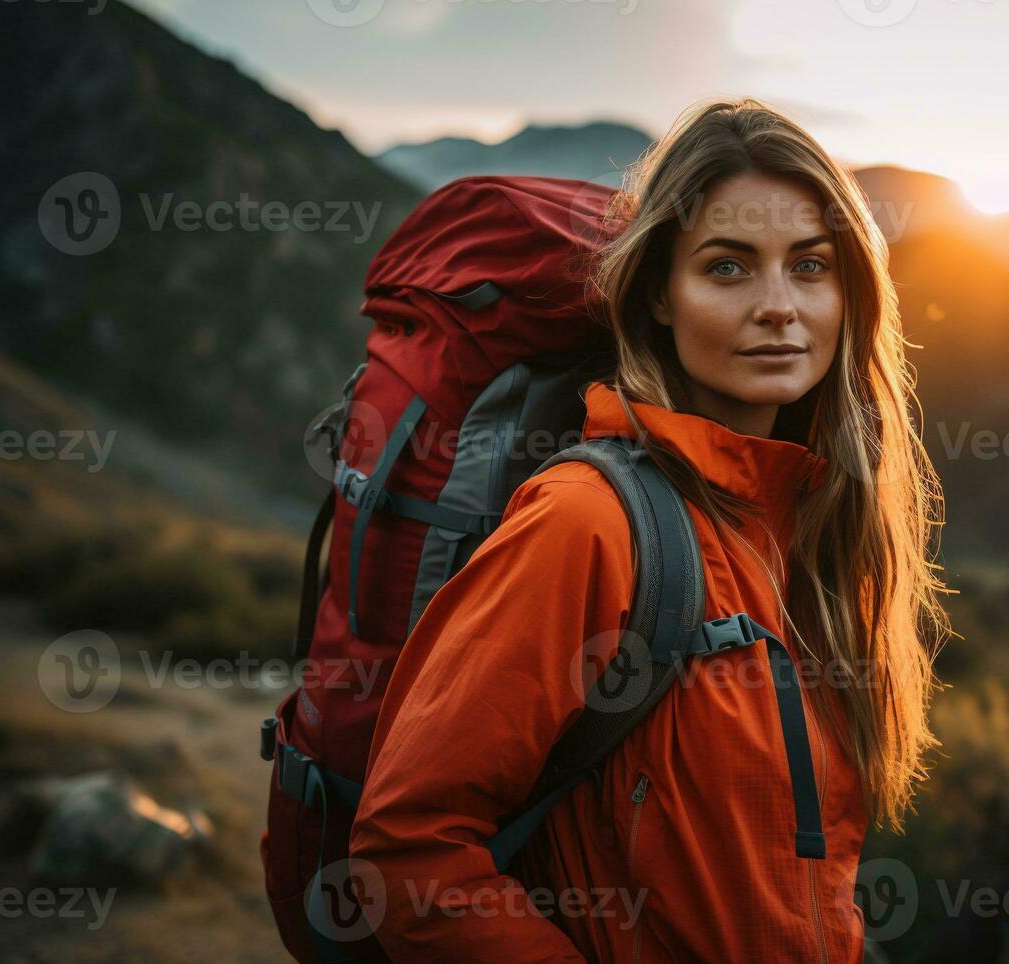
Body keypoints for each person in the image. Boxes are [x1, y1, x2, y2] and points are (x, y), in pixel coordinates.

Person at [349, 95, 952, 963]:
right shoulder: (586, 525)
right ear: (659, 298)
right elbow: (407, 851)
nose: (779, 306)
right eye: (728, 268)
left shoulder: (818, 540)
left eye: (811, 266)